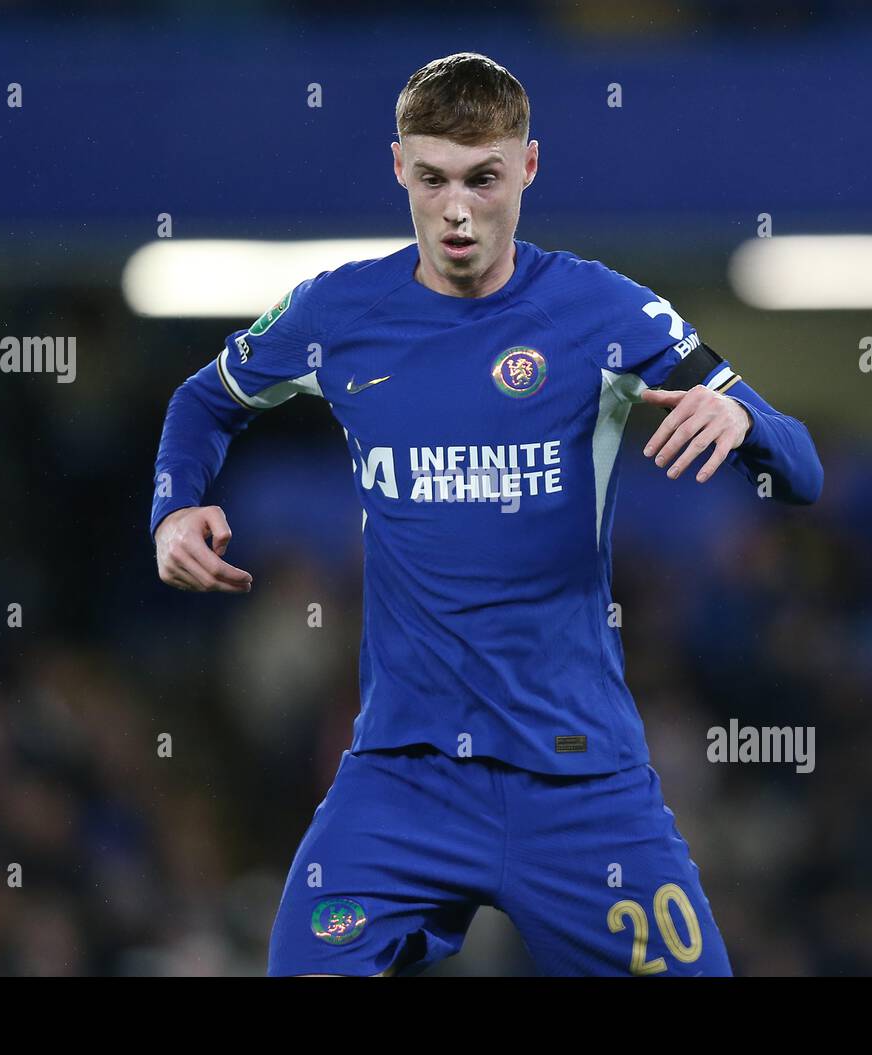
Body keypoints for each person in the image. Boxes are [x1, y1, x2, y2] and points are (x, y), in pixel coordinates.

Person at [150, 52, 822, 976]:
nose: (457, 210)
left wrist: (745, 417)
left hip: (580, 780)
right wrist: (174, 508)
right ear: (399, 169)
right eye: (432, 179)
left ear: (529, 167)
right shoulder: (340, 312)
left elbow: (805, 470)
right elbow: (203, 400)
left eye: (483, 179)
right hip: (402, 779)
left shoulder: (602, 312)